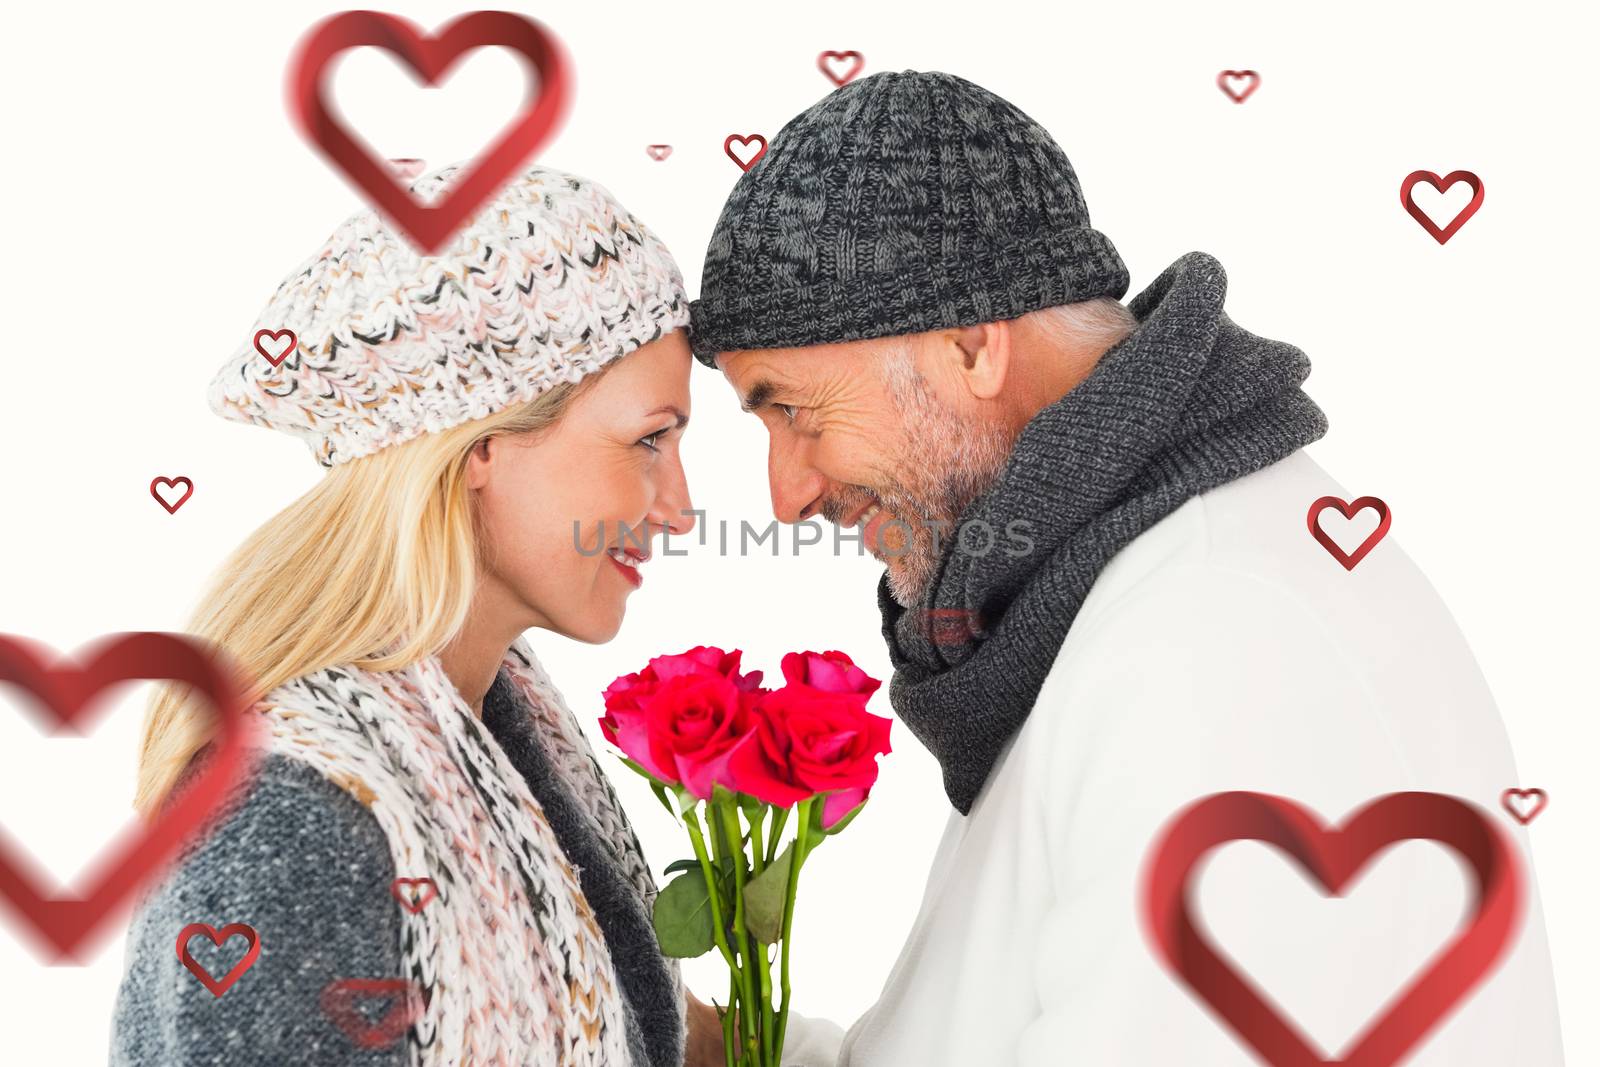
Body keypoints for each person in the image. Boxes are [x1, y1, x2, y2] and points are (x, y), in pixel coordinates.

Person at [688, 70, 1566, 1065]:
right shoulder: (1113, 604)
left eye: (795, 410)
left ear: (971, 345)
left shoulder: (1220, 652)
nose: (785, 493)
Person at [107, 161, 827, 1066]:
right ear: (482, 445)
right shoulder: (292, 814)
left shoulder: (503, 723)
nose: (678, 507)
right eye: (648, 440)